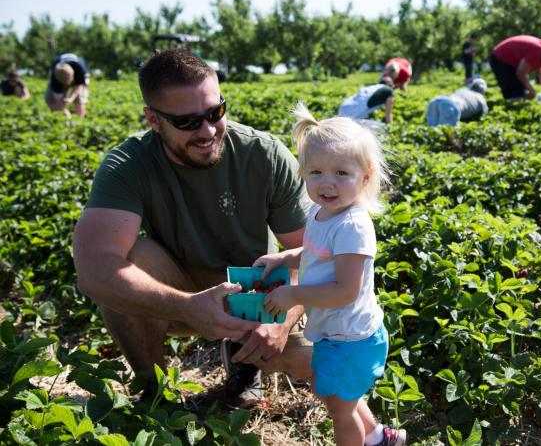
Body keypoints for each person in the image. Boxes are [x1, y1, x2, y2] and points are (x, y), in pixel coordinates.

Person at [72, 49, 313, 409]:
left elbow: (315, 254)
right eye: (187, 122)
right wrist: (188, 306)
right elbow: (93, 270)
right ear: (154, 120)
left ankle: (246, 366)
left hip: (257, 292)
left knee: (321, 355)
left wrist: (284, 318)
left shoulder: (262, 154)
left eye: (215, 113)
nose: (207, 131)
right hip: (178, 288)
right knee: (126, 264)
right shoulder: (130, 164)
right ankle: (158, 397)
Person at [256, 103, 406, 446]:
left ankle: (364, 439)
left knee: (340, 410)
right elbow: (316, 254)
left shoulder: (353, 226)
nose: (327, 183)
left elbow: (345, 290)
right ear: (303, 173)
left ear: (365, 177)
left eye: (341, 173)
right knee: (336, 398)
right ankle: (379, 438)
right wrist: (285, 258)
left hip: (351, 338)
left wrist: (292, 295)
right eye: (316, 172)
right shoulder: (322, 213)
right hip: (334, 332)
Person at [490, 35, 541, 101]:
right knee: (515, 91)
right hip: (500, 58)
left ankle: (516, 107)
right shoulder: (537, 50)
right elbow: (521, 73)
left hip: (514, 64)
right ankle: (513, 109)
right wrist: (531, 90)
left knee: (520, 91)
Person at [45, 53, 90, 118]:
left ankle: (79, 121)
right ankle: (64, 119)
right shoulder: (54, 76)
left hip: (82, 75)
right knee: (50, 98)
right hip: (58, 76)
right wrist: (63, 106)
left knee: (80, 99)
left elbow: (79, 86)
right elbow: (57, 96)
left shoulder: (79, 69)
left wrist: (71, 98)